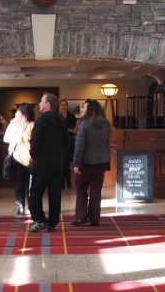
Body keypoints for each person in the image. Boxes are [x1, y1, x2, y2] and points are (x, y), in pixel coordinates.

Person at [28, 92, 68, 232]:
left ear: (47, 104)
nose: (39, 104)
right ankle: (52, 222)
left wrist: (33, 156)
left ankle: (39, 219)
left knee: (35, 191)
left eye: (41, 101)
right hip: (57, 162)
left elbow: (35, 142)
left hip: (42, 162)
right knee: (55, 193)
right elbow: (66, 143)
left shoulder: (41, 121)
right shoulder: (62, 121)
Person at [72, 99, 112, 227]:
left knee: (81, 187)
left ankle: (81, 216)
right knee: (96, 190)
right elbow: (107, 144)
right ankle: (95, 219)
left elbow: (79, 146)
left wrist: (76, 163)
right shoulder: (106, 124)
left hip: (87, 162)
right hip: (102, 161)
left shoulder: (84, 124)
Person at [3, 103, 34, 216]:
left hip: (16, 157)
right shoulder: (33, 124)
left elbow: (6, 138)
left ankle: (20, 206)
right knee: (30, 183)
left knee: (19, 182)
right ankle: (32, 205)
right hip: (30, 158)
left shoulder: (13, 123)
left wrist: (16, 138)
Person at [58, 100, 77, 189]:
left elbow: (74, 130)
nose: (63, 106)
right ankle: (61, 182)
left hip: (69, 142)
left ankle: (68, 180)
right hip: (60, 143)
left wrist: (67, 129)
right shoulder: (58, 117)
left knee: (67, 163)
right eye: (62, 105)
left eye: (65, 105)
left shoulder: (72, 117)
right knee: (62, 163)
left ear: (67, 106)